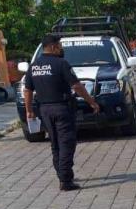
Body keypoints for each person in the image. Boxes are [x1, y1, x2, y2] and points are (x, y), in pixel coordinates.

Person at [24, 34, 100, 191]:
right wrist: (91, 102)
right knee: (66, 143)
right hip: (62, 108)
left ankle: (61, 174)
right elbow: (77, 86)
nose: (61, 49)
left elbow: (27, 90)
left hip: (44, 110)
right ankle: (65, 180)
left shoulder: (34, 66)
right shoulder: (61, 63)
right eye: (59, 46)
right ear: (52, 47)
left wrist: (29, 110)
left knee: (55, 143)